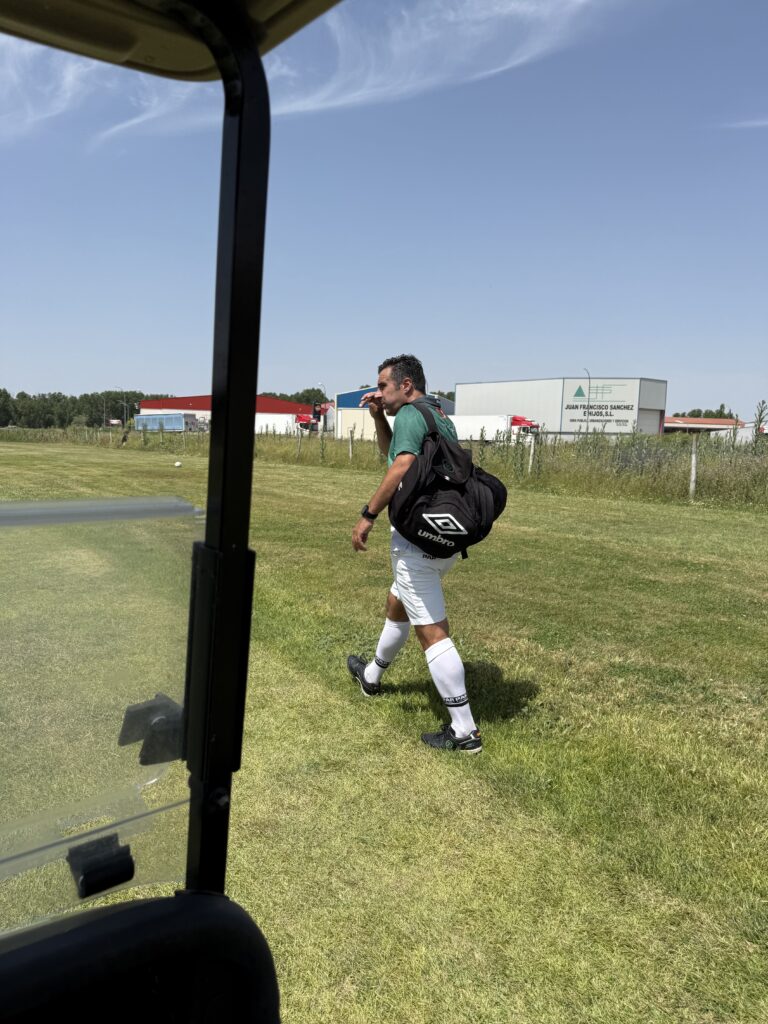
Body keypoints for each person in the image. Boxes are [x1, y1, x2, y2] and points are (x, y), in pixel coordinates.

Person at [348, 354, 482, 754]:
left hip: (415, 542)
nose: (379, 393)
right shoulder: (435, 413)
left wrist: (367, 515)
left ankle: (465, 731)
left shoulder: (409, 412)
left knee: (431, 632)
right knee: (397, 603)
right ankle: (371, 677)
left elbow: (401, 465)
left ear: (406, 385)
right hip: (441, 537)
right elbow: (394, 453)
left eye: (384, 386)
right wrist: (377, 418)